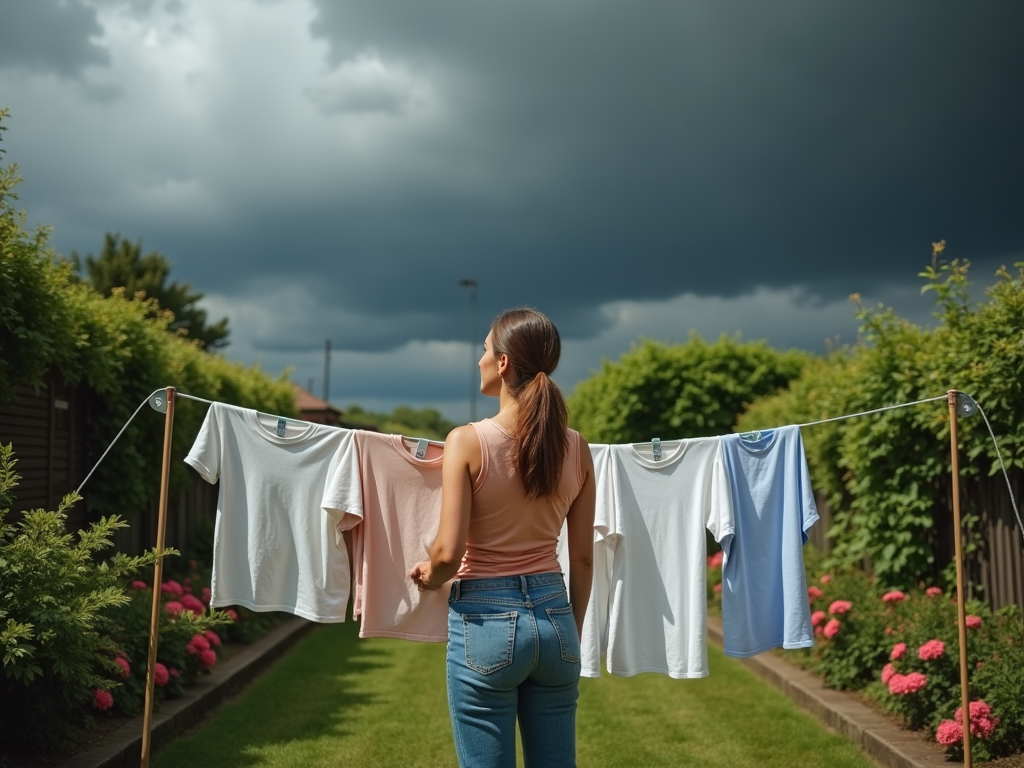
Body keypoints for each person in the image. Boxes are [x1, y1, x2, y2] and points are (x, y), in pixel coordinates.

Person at [411, 307, 596, 768]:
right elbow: (584, 559)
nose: (478, 359)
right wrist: (568, 628)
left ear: (503, 363)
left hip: (486, 622)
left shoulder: (466, 441)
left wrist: (429, 575)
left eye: (484, 350)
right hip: (556, 619)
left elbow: (450, 554)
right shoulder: (576, 446)